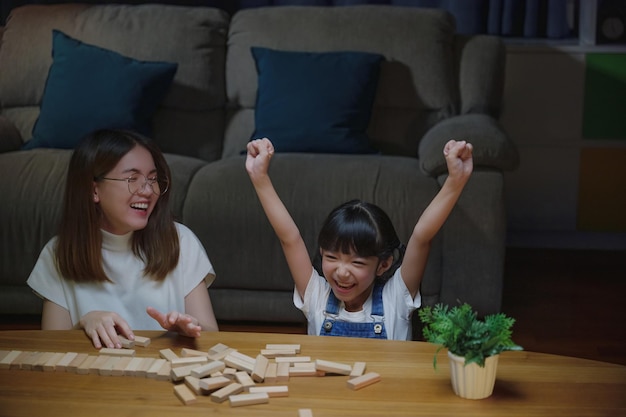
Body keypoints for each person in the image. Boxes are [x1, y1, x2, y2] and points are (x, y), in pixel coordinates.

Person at [246, 137, 473, 340]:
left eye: (357, 262)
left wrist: (455, 182)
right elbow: (290, 238)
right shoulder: (317, 296)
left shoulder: (396, 298)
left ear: (383, 264)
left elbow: (422, 236)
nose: (342, 272)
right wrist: (260, 177)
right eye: (332, 257)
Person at [27, 129, 219, 349]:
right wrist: (83, 326)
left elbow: (211, 335)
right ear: (94, 190)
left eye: (153, 179)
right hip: (95, 380)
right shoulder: (58, 253)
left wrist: (189, 331)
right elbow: (52, 351)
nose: (147, 190)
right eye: (132, 179)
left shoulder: (181, 241)